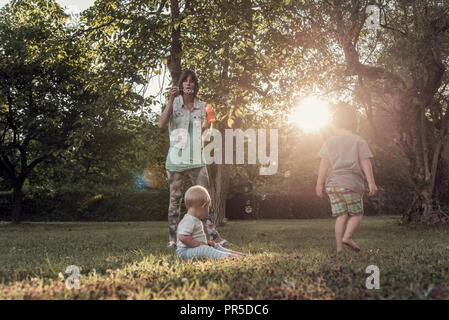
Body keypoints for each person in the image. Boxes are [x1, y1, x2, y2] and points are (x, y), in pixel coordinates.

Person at [157, 69, 229, 248]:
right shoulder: (174, 104)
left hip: (196, 158)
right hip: (176, 158)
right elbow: (160, 124)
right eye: (185, 81)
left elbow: (206, 129)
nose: (188, 83)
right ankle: (173, 239)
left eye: (192, 81)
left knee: (205, 197)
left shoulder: (203, 106)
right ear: (181, 85)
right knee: (175, 199)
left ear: (195, 85)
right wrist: (171, 99)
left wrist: (206, 126)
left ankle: (214, 236)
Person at [316, 106, 378, 253]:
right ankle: (347, 237)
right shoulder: (358, 141)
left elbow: (323, 165)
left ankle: (339, 249)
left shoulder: (329, 142)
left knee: (341, 216)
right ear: (354, 123)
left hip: (333, 185)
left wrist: (319, 185)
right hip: (351, 184)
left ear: (335, 123)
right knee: (357, 214)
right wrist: (371, 182)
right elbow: (365, 162)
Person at [176, 186, 245, 259]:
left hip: (191, 249)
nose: (208, 210)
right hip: (184, 252)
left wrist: (205, 243)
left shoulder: (194, 219)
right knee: (205, 250)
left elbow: (195, 237)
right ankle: (229, 257)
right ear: (204, 205)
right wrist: (199, 244)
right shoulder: (188, 220)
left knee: (214, 245)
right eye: (208, 207)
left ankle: (235, 254)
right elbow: (182, 237)